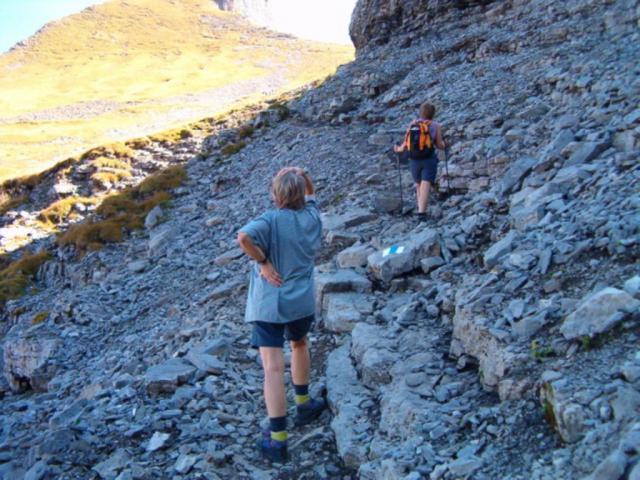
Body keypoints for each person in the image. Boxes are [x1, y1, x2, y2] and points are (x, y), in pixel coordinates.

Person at [237, 167, 326, 463]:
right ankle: (304, 403)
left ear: (276, 196)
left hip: (269, 303)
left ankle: (278, 441)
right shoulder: (312, 216)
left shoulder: (270, 219)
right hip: (301, 301)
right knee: (300, 344)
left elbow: (244, 238)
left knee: (273, 368)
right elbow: (311, 195)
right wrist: (303, 175)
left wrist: (263, 262)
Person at [394, 101, 446, 220]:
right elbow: (439, 145)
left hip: (414, 159)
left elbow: (405, 144)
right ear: (433, 113)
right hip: (428, 158)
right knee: (426, 183)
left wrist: (397, 149)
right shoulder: (435, 125)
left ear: (421, 112)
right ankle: (421, 213)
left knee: (418, 184)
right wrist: (445, 144)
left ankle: (420, 209)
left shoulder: (413, 124)